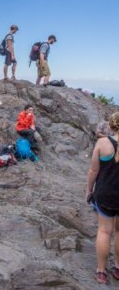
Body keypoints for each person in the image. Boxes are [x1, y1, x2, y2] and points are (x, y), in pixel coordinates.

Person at [86, 112, 119, 284]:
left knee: (104, 231)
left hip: (105, 193)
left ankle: (101, 271)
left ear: (111, 126)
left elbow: (93, 171)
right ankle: (118, 268)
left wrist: (88, 190)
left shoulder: (103, 143)